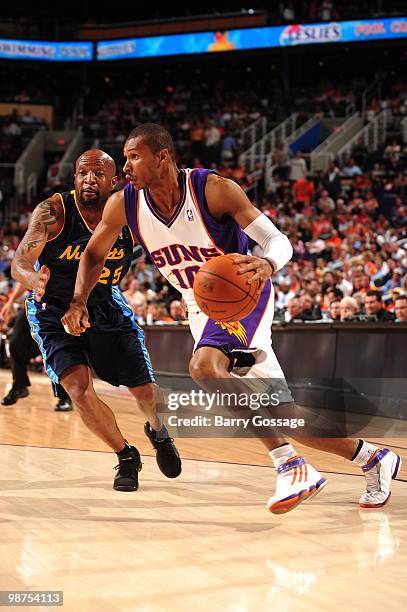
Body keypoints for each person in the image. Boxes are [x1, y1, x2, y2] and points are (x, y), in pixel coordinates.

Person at [62, 125, 401, 513]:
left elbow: (279, 241)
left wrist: (266, 262)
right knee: (286, 415)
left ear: (163, 157)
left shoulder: (213, 189)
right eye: (125, 158)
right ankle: (373, 459)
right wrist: (78, 300)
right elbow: (91, 255)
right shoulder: (124, 204)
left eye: (134, 156)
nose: (125, 166)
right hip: (197, 306)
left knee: (204, 368)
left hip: (243, 295)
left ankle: (290, 466)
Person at [11, 148, 181, 491]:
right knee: (78, 389)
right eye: (82, 174)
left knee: (146, 391)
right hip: (53, 308)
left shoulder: (130, 212)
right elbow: (20, 262)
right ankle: (126, 455)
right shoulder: (53, 211)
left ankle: (159, 433)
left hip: (104, 303)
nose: (89, 180)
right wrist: (33, 280)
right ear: (74, 178)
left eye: (98, 174)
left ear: (113, 181)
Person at [0, 282, 72, 410]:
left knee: (54, 349)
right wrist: (11, 301)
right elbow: (24, 280)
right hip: (34, 301)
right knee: (15, 344)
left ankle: (64, 396)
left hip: (60, 303)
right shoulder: (34, 262)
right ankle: (20, 386)